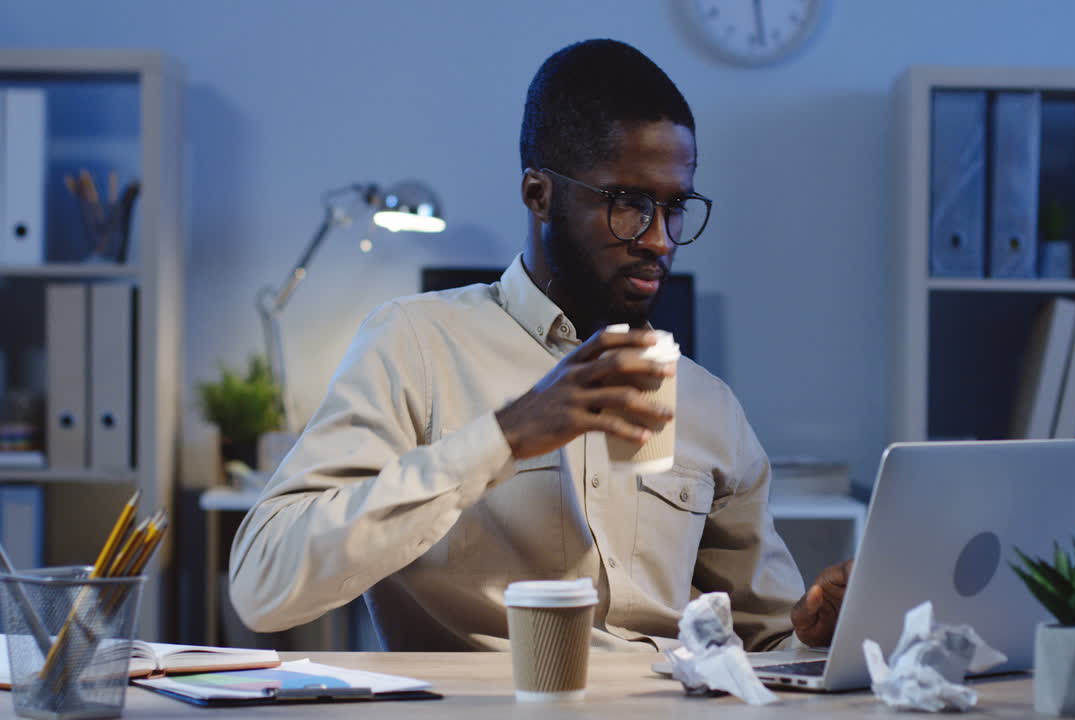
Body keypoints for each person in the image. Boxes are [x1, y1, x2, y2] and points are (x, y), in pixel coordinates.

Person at [228, 38, 849, 653]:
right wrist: (503, 437)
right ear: (538, 193)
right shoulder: (415, 342)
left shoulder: (709, 405)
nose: (660, 239)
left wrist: (817, 635)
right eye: (629, 204)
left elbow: (767, 644)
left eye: (675, 206)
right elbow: (264, 586)